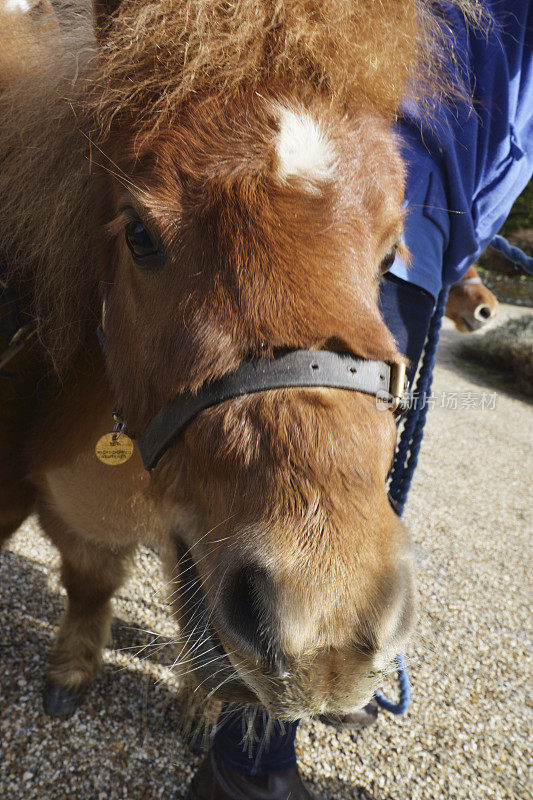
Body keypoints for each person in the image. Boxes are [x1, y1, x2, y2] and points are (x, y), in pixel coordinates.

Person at [187, 1, 532, 797]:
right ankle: (250, 761)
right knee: (318, 487)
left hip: (411, 215)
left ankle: (306, 670)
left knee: (333, 490)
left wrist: (468, 249)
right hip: (373, 200)